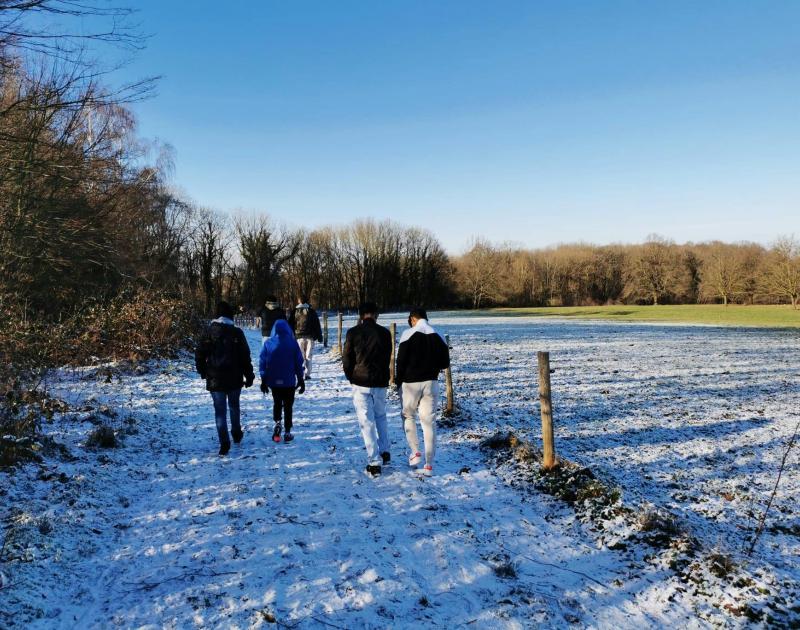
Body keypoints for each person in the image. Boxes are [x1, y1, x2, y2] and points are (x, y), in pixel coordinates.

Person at [195, 301, 255, 456]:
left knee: (219, 412)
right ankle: (236, 432)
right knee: (234, 406)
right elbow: (245, 356)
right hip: (234, 377)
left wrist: (203, 371)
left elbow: (200, 354)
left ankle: (224, 443)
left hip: (215, 378)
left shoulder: (208, 332)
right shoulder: (237, 332)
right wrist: (249, 375)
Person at [395, 307, 450, 476]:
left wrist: (398, 383)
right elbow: (445, 363)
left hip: (410, 384)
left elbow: (400, 362)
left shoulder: (407, 334)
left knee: (408, 416)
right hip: (431, 383)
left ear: (413, 319)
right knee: (429, 422)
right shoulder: (438, 335)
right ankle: (429, 465)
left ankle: (415, 452)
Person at [342, 301, 392, 477]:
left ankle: (374, 461)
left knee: (367, 421)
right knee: (381, 416)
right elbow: (387, 357)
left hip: (361, 381)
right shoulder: (385, 333)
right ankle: (385, 450)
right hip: (380, 382)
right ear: (376, 314)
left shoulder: (353, 333)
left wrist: (351, 376)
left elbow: (347, 358)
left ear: (360, 315)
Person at [260, 319, 306, 443]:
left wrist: (263, 379)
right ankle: (287, 431)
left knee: (277, 402)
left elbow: (263, 362)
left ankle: (277, 422)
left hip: (274, 381)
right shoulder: (293, 343)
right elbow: (298, 362)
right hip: (289, 381)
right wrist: (301, 379)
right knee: (288, 406)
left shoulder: (268, 343)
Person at [288, 295, 323, 379]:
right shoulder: (311, 311)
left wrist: (290, 336)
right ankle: (307, 374)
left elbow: (290, 324)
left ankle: (301, 373)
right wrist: (319, 336)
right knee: (308, 356)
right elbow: (316, 325)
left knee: (300, 356)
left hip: (298, 337)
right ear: (307, 302)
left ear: (299, 301)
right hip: (310, 337)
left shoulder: (294, 311)